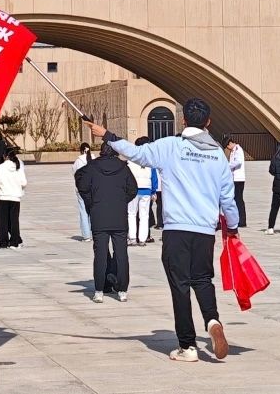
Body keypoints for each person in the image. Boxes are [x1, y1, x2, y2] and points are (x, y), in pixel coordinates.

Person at [87, 97, 236, 363]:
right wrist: (233, 227)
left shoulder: (170, 146)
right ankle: (213, 320)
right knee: (202, 279)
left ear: (184, 120)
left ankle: (187, 346)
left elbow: (137, 153)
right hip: (204, 230)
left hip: (177, 228)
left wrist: (107, 135)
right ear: (208, 122)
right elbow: (228, 198)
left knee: (180, 285)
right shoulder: (217, 155)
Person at [76, 141, 137, 303]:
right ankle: (122, 290)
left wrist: (91, 201)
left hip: (99, 216)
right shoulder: (123, 167)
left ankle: (99, 290)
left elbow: (81, 183)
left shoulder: (92, 167)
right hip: (119, 217)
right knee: (121, 254)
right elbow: (133, 189)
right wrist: (121, 201)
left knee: (100, 254)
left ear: (102, 151)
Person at [0, 148, 27, 250]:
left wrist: (0, 186)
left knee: (3, 221)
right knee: (14, 220)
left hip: (4, 196)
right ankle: (14, 242)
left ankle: (3, 242)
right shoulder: (18, 167)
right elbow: (24, 182)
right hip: (15, 198)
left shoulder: (2, 167)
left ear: (5, 156)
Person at [127, 137, 156, 246]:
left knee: (131, 214)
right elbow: (154, 177)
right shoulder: (150, 159)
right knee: (144, 216)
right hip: (146, 191)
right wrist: (153, 191)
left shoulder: (131, 160)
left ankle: (132, 238)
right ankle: (143, 239)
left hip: (133, 191)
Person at [72, 142, 94, 241]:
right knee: (93, 211)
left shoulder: (78, 161)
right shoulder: (94, 159)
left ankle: (86, 235)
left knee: (83, 211)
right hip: (92, 189)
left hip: (81, 189)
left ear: (81, 150)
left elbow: (74, 173)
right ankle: (93, 233)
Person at [225, 136, 247, 228]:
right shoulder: (234, 150)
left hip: (238, 179)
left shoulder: (238, 149)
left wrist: (227, 165)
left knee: (239, 199)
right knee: (236, 199)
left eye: (227, 146)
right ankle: (238, 219)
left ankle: (242, 221)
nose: (228, 148)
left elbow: (238, 162)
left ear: (230, 143)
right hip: (234, 178)